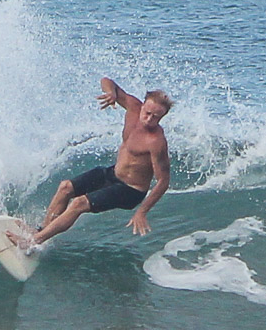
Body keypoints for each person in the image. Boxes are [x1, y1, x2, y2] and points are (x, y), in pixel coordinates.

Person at [9, 77, 172, 250]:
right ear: (143, 104)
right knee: (65, 187)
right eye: (147, 113)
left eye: (156, 117)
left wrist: (142, 211)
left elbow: (163, 181)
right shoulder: (132, 106)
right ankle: (41, 231)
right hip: (113, 174)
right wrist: (110, 93)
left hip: (130, 190)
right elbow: (107, 81)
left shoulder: (156, 142)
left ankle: (32, 242)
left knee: (79, 204)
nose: (149, 119)